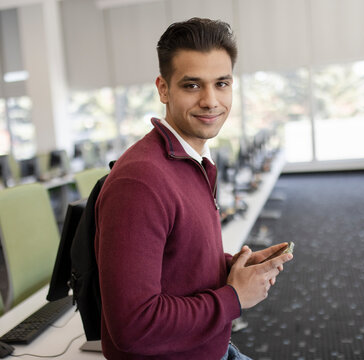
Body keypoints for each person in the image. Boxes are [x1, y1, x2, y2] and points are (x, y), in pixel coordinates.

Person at [94, 17, 293, 359]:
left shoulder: (189, 161)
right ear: (163, 89)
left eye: (222, 83)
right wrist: (233, 298)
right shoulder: (140, 182)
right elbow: (132, 326)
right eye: (192, 85)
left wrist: (230, 268)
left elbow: (175, 263)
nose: (211, 101)